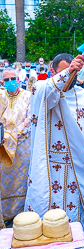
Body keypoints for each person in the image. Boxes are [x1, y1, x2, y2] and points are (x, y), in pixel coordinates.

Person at [25, 54, 84, 240]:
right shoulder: (42, 89)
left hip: (75, 166)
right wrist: (69, 71)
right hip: (49, 166)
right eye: (65, 72)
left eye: (74, 73)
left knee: (72, 214)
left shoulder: (83, 96)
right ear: (53, 71)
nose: (70, 77)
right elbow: (50, 93)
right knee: (48, 214)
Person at [0, 68, 31, 228]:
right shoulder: (0, 96)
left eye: (13, 78)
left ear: (18, 79)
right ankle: (5, 213)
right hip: (3, 144)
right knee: (4, 179)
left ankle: (21, 214)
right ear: (2, 82)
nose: (10, 81)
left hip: (22, 145)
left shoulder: (27, 96)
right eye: (7, 79)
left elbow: (29, 117)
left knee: (21, 177)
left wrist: (17, 132)